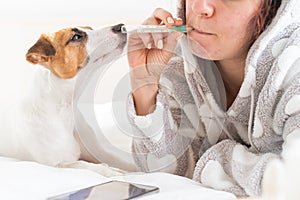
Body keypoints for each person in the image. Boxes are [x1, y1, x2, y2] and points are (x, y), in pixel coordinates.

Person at [125, 0, 300, 197]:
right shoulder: (179, 62)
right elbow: (164, 172)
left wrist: (216, 161)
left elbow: (292, 183)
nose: (200, 7)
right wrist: (145, 83)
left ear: (273, 6)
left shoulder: (295, 68)